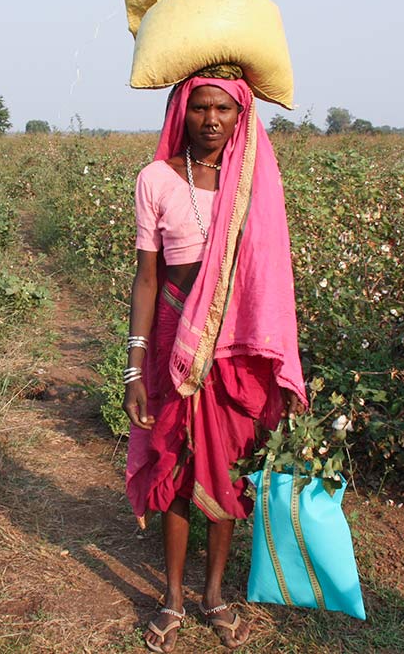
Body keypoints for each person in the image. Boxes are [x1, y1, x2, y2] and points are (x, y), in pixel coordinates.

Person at [123, 68, 307, 652]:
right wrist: (134, 364)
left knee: (226, 467)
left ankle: (215, 595)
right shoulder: (155, 179)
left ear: (239, 117)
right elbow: (147, 276)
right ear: (182, 112)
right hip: (177, 335)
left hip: (232, 349)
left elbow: (268, 276)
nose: (210, 120)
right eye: (199, 107)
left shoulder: (251, 186)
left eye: (222, 110)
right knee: (177, 467)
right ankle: (174, 597)